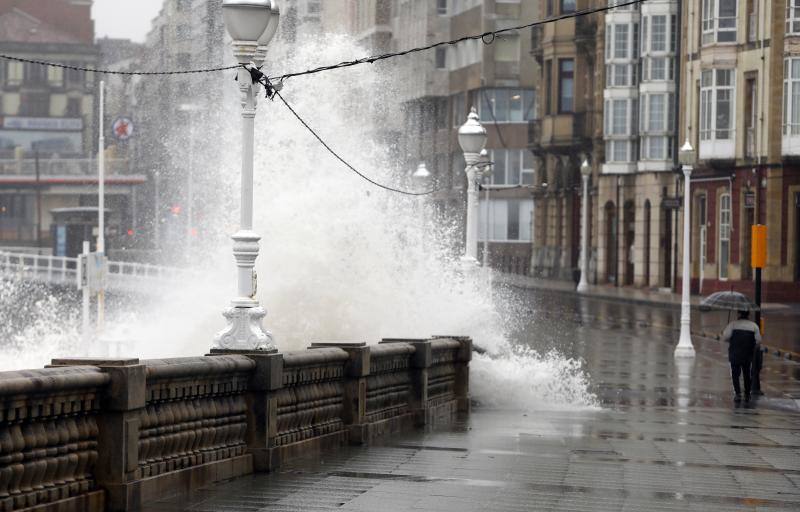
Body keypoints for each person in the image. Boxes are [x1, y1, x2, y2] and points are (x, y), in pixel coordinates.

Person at [721, 309, 762, 403]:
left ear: (739, 314)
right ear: (748, 315)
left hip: (734, 354)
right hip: (747, 355)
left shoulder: (732, 325)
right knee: (747, 374)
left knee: (735, 374)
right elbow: (758, 341)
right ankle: (747, 394)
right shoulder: (754, 326)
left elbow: (725, 337)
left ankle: (738, 394)